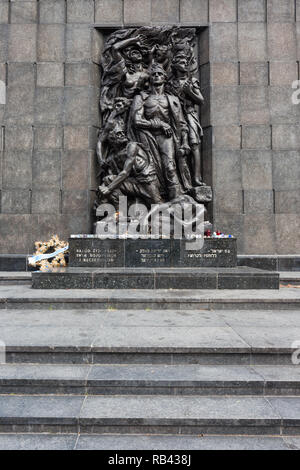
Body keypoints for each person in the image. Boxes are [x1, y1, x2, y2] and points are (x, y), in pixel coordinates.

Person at [129, 63, 191, 200]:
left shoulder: (173, 100)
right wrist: (159, 124)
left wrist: (185, 143)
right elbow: (136, 121)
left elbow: (182, 123)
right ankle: (155, 200)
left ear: (164, 78)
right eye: (153, 74)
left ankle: (176, 199)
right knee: (149, 170)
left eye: (159, 74)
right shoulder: (141, 98)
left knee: (169, 167)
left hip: (167, 137)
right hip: (146, 136)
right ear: (149, 78)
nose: (156, 76)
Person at [97, 123, 163, 209]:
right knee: (108, 180)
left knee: (158, 205)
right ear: (111, 139)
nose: (123, 135)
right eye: (118, 134)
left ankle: (180, 207)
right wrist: (102, 188)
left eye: (122, 133)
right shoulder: (113, 157)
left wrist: (108, 189)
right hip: (133, 183)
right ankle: (122, 212)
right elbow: (114, 176)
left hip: (146, 181)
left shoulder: (132, 146)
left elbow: (125, 172)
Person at [168, 51, 205, 186]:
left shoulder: (191, 81)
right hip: (174, 116)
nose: (185, 65)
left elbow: (201, 100)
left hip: (189, 114)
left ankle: (196, 178)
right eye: (182, 62)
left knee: (194, 144)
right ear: (176, 66)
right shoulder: (170, 83)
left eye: (186, 62)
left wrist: (190, 92)